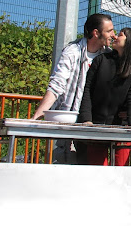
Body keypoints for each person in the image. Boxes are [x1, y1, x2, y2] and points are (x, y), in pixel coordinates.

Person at [32, 13, 115, 163]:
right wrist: (38, 114)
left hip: (94, 120)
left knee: (92, 166)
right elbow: (57, 84)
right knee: (67, 162)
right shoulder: (73, 51)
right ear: (96, 33)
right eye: (109, 31)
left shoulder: (109, 55)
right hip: (72, 116)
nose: (113, 35)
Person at [76, 27, 131, 166]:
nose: (115, 37)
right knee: (97, 169)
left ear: (130, 42)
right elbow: (87, 91)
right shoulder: (101, 60)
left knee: (121, 169)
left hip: (121, 125)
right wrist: (87, 120)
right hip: (97, 124)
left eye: (120, 35)